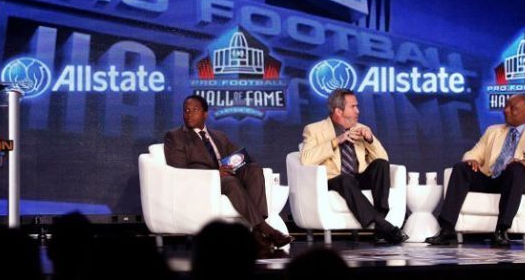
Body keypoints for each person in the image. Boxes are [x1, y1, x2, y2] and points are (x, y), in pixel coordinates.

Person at [164, 95, 294, 255]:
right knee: (230, 181)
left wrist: (237, 163)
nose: (189, 114)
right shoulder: (175, 136)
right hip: (202, 182)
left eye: (195, 110)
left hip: (226, 175)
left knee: (254, 169)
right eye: (186, 110)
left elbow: (242, 158)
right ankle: (266, 229)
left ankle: (256, 233)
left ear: (205, 114)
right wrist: (215, 173)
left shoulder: (218, 136)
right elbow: (178, 170)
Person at [425, 94, 525, 247]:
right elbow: (473, 152)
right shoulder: (493, 131)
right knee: (461, 168)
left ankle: (501, 230)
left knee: (516, 168)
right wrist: (471, 160)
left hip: (513, 181)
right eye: (506, 106)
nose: (506, 110)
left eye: (512, 108)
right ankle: (447, 229)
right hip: (490, 177)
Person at [300, 88, 407, 244]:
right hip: (333, 179)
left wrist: (370, 140)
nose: (358, 111)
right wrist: (337, 141)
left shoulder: (360, 128)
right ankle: (383, 225)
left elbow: (384, 159)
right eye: (353, 106)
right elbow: (306, 159)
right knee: (345, 179)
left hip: (357, 177)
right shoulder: (314, 129)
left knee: (381, 165)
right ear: (338, 111)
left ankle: (380, 223)